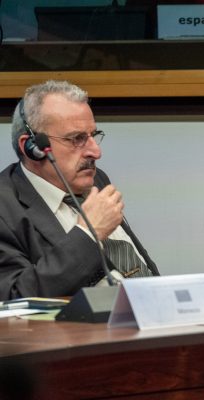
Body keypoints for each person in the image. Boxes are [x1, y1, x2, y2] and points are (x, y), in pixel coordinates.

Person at [0, 80, 159, 300]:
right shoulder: (5, 207)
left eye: (93, 135)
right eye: (77, 139)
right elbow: (13, 295)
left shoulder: (95, 179)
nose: (96, 152)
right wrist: (89, 234)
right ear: (31, 147)